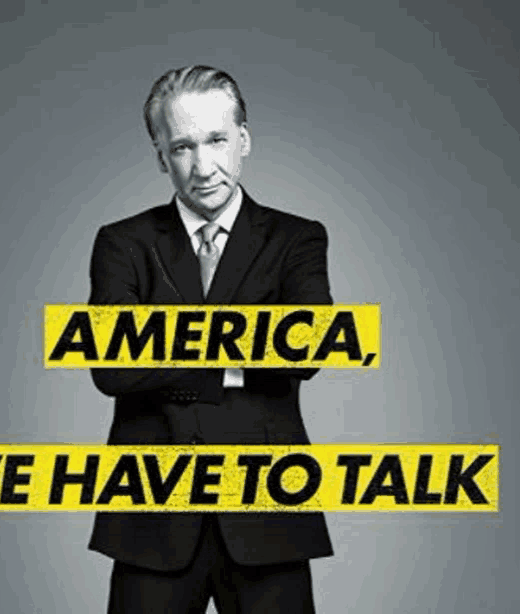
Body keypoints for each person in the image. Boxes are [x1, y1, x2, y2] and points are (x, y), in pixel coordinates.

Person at [88, 65, 334, 614]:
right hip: (151, 519)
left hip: (269, 514)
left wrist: (166, 351)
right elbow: (111, 367)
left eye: (217, 140)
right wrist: (244, 356)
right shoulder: (122, 244)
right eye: (182, 147)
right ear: (160, 156)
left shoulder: (297, 239)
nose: (203, 167)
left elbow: (310, 347)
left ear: (243, 140)